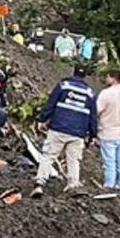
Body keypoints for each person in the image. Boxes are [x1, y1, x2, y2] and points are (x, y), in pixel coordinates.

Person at [31, 65, 98, 198]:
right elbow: (93, 117)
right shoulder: (90, 93)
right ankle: (73, 185)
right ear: (85, 76)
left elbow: (51, 105)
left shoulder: (63, 86)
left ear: (73, 72)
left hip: (58, 128)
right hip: (78, 132)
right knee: (73, 160)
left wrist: (41, 119)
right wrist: (92, 134)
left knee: (48, 156)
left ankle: (39, 183)